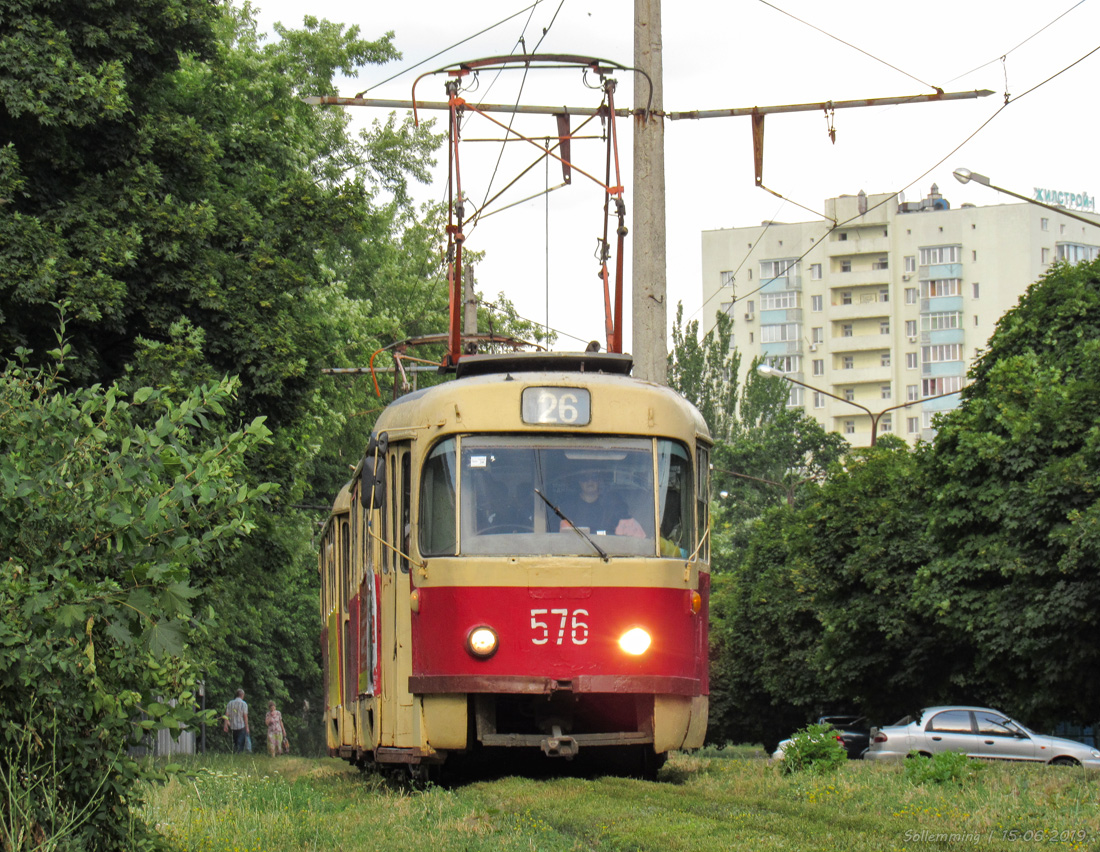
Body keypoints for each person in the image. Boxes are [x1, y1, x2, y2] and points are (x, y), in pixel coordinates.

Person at [557, 472, 645, 538]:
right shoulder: (568, 505)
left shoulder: (612, 505)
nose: (590, 481)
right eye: (584, 478)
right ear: (579, 482)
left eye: (594, 477)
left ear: (599, 480)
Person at [226, 689, 249, 753]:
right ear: (242, 695)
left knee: (235, 741)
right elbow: (245, 716)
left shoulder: (230, 703)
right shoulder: (244, 704)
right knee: (240, 741)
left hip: (232, 725)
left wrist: (226, 724)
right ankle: (239, 753)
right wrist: (247, 727)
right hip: (241, 725)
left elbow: (226, 715)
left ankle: (235, 751)